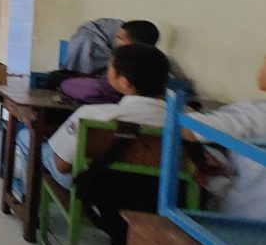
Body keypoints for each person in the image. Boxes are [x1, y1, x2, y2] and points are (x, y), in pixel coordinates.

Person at [43, 43, 172, 189]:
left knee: (28, 139)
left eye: (109, 68)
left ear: (125, 81)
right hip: (160, 192)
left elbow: (62, 166)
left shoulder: (91, 114)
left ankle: (25, 197)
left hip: (101, 188)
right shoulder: (185, 123)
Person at [183, 54, 266, 221]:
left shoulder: (255, 113)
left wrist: (166, 106)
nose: (259, 70)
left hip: (248, 220)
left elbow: (190, 131)